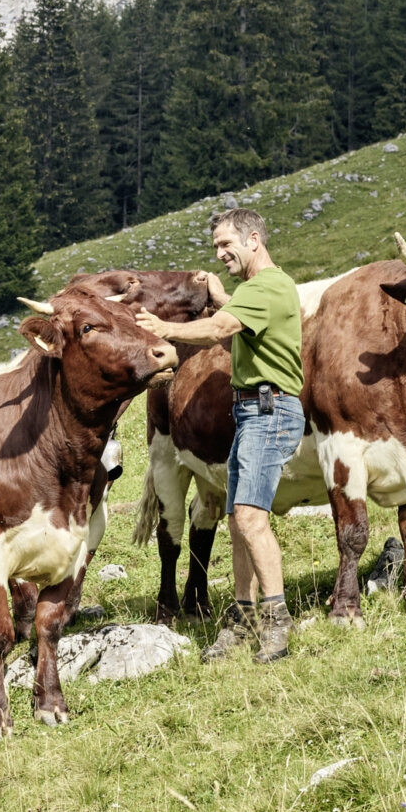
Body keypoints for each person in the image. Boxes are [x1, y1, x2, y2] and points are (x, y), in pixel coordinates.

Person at [135, 207, 302, 664]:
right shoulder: (256, 291)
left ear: (253, 239)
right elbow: (236, 313)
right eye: (215, 247)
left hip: (270, 412)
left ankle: (276, 623)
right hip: (252, 412)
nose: (220, 252)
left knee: (249, 519)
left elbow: (222, 327)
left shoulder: (268, 287)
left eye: (227, 244)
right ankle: (244, 618)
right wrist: (221, 292)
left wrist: (166, 328)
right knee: (236, 520)